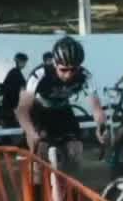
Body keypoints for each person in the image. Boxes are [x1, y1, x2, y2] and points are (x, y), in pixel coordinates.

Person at [15, 36, 106, 174]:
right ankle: (37, 188)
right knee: (41, 152)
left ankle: (71, 190)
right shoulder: (40, 75)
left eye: (73, 70)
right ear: (54, 64)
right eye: (63, 70)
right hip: (40, 112)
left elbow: (96, 108)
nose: (68, 75)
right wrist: (31, 132)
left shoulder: (84, 76)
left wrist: (101, 126)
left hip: (62, 110)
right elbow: (22, 110)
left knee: (75, 150)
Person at [0, 53, 29, 126]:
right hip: (11, 105)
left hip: (10, 104)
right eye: (23, 62)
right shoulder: (15, 73)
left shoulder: (15, 72)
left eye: (25, 62)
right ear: (19, 62)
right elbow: (11, 89)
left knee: (10, 125)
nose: (24, 64)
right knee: (10, 125)